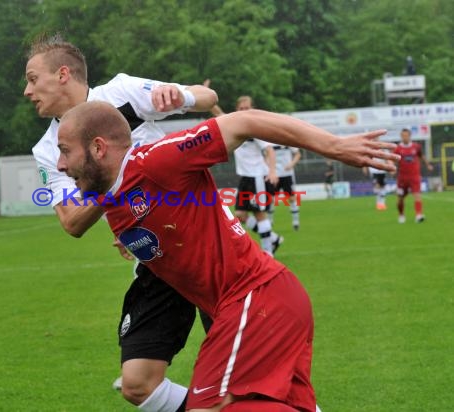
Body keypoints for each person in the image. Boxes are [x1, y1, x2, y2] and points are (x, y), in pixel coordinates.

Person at [56, 101, 398, 411]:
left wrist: (333, 146)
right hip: (261, 304)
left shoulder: (157, 161)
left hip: (256, 298)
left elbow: (244, 121)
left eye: (65, 151)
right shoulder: (112, 201)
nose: (59, 164)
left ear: (98, 148)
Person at [24, 33, 218, 411]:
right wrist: (117, 188)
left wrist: (181, 96)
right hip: (155, 259)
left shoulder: (122, 92)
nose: (27, 91)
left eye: (33, 79)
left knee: (248, 373)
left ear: (63, 74)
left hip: (205, 242)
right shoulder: (48, 150)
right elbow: (71, 220)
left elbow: (208, 99)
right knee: (138, 386)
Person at [203, 87, 282, 256]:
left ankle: (268, 253)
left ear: (252, 109)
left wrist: (273, 171)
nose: (244, 111)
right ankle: (273, 239)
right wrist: (205, 92)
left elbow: (269, 150)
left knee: (259, 213)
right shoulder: (235, 126)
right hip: (246, 178)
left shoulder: (255, 129)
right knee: (239, 215)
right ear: (236, 110)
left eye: (247, 108)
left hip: (257, 177)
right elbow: (217, 111)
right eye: (241, 109)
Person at [392, 128, 434, 223]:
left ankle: (419, 215)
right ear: (401, 136)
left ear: (410, 136)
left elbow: (421, 156)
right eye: (403, 136)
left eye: (406, 135)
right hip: (402, 177)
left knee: (417, 195)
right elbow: (393, 160)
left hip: (414, 176)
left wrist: (428, 165)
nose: (405, 137)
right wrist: (392, 168)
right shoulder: (398, 148)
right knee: (400, 198)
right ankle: (401, 215)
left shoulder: (416, 146)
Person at [269, 145, 302, 230]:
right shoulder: (268, 141)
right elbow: (264, 154)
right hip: (274, 175)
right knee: (271, 199)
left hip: (287, 174)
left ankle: (296, 222)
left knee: (291, 198)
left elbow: (298, 154)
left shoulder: (286, 140)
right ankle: (269, 222)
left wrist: (292, 164)